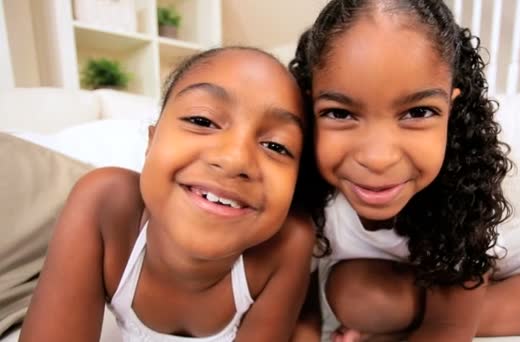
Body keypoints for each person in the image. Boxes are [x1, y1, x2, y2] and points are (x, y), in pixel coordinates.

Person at [288, 0, 520, 341]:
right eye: (340, 113)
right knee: (352, 295)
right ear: (308, 107)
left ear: (451, 112)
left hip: (491, 249)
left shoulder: (458, 198)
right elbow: (303, 313)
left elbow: (446, 331)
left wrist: (450, 316)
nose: (378, 158)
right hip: (406, 275)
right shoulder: (309, 203)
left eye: (418, 112)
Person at [19, 46, 330, 341]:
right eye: (201, 121)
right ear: (150, 141)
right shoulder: (102, 204)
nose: (235, 159)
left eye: (276, 146)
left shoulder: (289, 242)